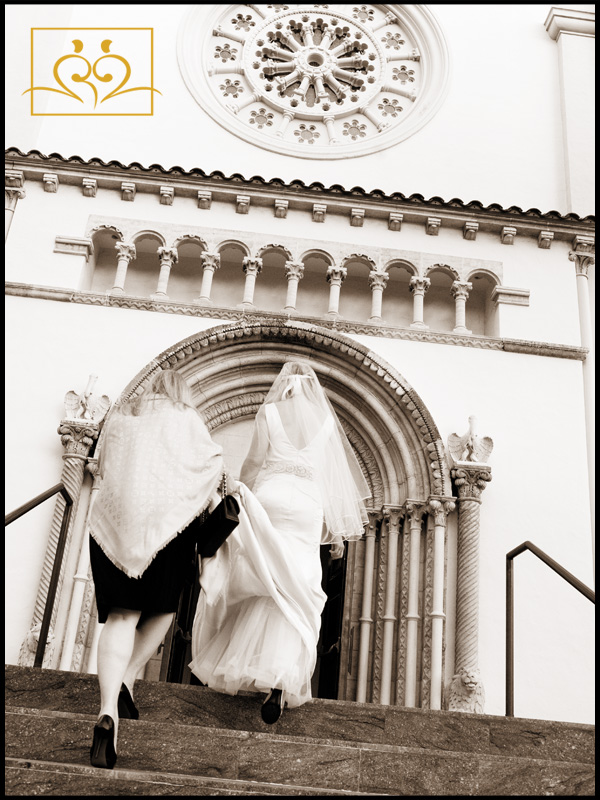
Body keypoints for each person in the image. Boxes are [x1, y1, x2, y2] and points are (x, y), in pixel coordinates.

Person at [189, 360, 370, 723]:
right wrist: (334, 531)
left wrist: (246, 506)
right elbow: (333, 480)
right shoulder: (325, 422)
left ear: (285, 385)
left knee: (268, 579)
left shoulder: (270, 412)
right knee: (297, 584)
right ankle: (281, 679)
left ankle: (247, 665)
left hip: (271, 496)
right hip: (307, 505)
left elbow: (254, 464)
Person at [88, 369, 224, 768]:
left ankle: (109, 707)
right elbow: (212, 465)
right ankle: (129, 675)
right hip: (168, 531)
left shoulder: (121, 419)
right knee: (165, 608)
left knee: (120, 616)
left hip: (114, 527)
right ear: (181, 392)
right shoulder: (186, 419)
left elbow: (101, 468)